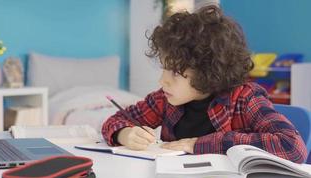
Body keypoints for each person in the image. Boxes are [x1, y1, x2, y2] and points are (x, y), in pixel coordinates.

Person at [101, 5, 307, 163]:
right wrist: (124, 133)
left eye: (175, 72)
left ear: (207, 71)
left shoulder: (245, 98)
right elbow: (115, 120)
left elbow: (292, 147)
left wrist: (200, 144)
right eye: (163, 68)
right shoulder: (164, 99)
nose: (162, 80)